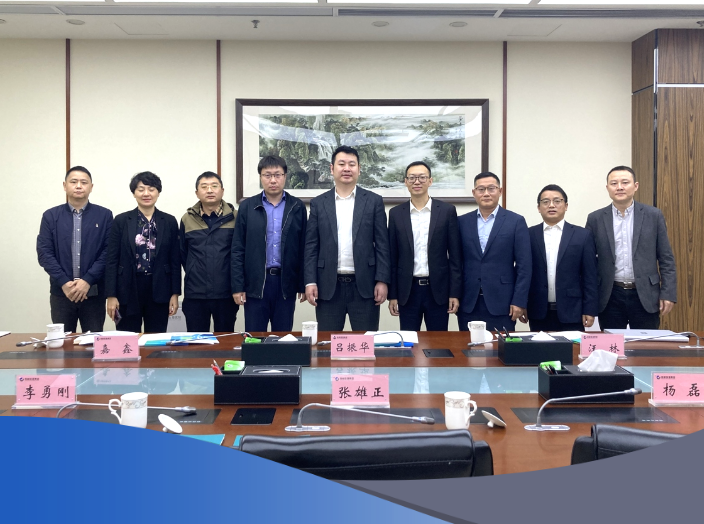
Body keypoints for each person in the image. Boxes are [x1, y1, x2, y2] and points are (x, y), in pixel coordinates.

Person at [304, 145, 390, 331]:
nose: (346, 169)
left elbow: (383, 244)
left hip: (365, 286)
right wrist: (310, 281)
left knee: (366, 342)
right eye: (341, 164)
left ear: (359, 169)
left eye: (352, 164)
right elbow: (311, 246)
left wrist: (382, 280)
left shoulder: (373, 201)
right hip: (328, 286)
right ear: (331, 168)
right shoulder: (319, 203)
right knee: (328, 343)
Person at [585, 166, 677, 329]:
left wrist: (668, 293)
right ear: (607, 188)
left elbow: (666, 259)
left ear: (635, 186)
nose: (619, 187)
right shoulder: (595, 219)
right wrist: (588, 300)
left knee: (645, 343)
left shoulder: (653, 215)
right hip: (610, 295)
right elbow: (588, 263)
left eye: (625, 182)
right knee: (612, 343)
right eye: (614, 183)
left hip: (645, 294)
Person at [231, 156, 307, 332]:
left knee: (283, 337)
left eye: (277, 175)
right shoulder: (247, 207)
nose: (273, 180)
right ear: (260, 177)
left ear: (285, 176)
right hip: (256, 283)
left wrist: (303, 283)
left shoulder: (297, 207)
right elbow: (238, 249)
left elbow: (304, 247)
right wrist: (238, 286)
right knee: (255, 338)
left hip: (285, 283)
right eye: (267, 175)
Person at [37, 166, 113, 333]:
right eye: (74, 182)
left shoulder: (105, 215)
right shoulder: (50, 216)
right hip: (61, 292)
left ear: (91, 187)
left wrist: (87, 280)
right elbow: (44, 253)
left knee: (93, 342)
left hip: (93, 292)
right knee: (62, 342)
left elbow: (108, 252)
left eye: (84, 182)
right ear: (65, 186)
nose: (79, 186)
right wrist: (64, 282)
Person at [388, 161, 462, 331]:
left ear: (430, 181)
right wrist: (393, 295)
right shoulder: (396, 213)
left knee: (438, 342)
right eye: (412, 178)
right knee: (408, 341)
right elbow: (393, 257)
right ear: (405, 182)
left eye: (422, 177)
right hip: (408, 291)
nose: (417, 181)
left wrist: (454, 293)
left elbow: (455, 257)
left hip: (438, 290)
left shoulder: (447, 211)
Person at [105, 172, 181, 333]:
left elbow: (175, 260)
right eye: (141, 189)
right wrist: (111, 295)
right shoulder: (121, 221)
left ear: (158, 192)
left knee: (156, 339)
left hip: (160, 289)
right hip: (127, 289)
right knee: (126, 338)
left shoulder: (169, 221)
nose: (146, 193)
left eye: (151, 189)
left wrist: (175, 293)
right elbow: (111, 259)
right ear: (134, 193)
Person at [457, 172, 531, 332]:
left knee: (500, 346)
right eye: (481, 189)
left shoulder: (515, 221)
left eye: (491, 188)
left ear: (500, 191)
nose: (486, 193)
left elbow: (524, 266)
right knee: (467, 345)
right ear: (474, 193)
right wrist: (454, 295)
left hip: (503, 302)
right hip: (468, 301)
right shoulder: (462, 222)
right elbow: (456, 262)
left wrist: (519, 300)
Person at [526, 184, 598, 332]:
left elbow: (590, 276)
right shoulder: (528, 235)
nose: (551, 205)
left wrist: (590, 309)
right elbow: (523, 272)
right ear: (538, 207)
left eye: (557, 201)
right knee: (539, 347)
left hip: (573, 310)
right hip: (537, 310)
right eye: (545, 202)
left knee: (572, 347)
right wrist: (522, 304)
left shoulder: (582, 235)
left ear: (566, 206)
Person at [180, 171, 237, 332]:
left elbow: (239, 253)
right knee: (197, 342)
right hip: (195, 293)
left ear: (222, 191)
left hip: (226, 293)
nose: (210, 190)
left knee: (225, 340)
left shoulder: (236, 217)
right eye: (204, 187)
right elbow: (183, 254)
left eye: (214, 186)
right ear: (197, 193)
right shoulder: (187, 219)